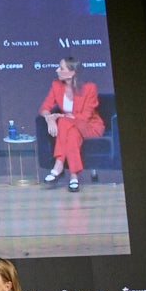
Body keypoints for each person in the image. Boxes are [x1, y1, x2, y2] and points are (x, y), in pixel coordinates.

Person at [38, 56, 105, 193]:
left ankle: (58, 165)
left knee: (63, 122)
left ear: (72, 72)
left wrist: (60, 116)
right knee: (72, 134)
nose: (57, 70)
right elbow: (45, 107)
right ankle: (74, 177)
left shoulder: (89, 88)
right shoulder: (56, 85)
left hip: (90, 126)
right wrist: (49, 118)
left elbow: (85, 117)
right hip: (71, 129)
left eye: (61, 68)